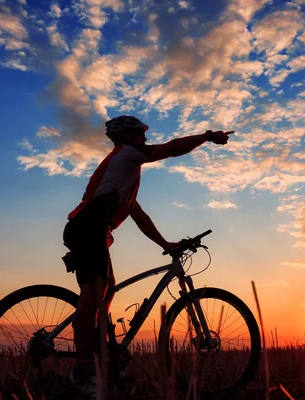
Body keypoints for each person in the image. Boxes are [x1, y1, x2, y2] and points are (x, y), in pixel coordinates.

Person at [62, 115, 233, 396]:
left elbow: (138, 216)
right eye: (140, 135)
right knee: (94, 295)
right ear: (128, 137)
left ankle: (105, 361)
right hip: (87, 229)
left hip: (94, 231)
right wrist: (207, 136)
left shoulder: (123, 176)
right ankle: (82, 373)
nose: (144, 139)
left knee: (107, 292)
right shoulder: (127, 155)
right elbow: (171, 147)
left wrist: (164, 242)